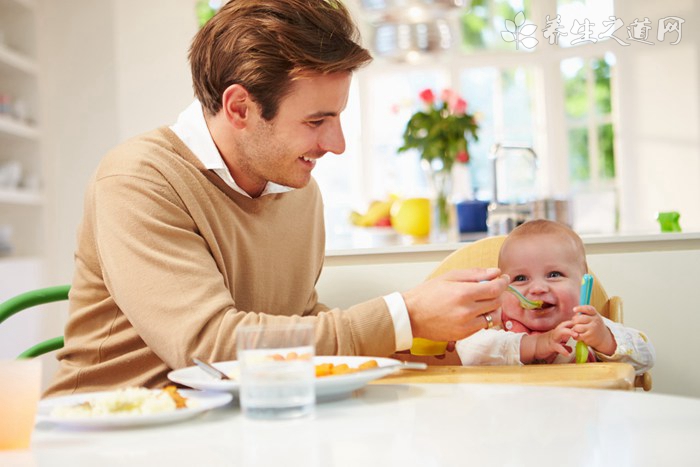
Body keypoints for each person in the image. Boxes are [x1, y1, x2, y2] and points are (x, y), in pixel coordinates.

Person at [45, 0, 508, 397]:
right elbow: (211, 346)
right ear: (240, 108)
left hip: (236, 427)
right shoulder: (139, 180)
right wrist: (402, 317)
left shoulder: (297, 190)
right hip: (108, 436)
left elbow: (295, 326)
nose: (337, 143)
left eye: (338, 117)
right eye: (316, 121)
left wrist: (419, 341)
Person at [456, 219, 655, 374]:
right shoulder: (496, 325)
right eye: (521, 278)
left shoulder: (586, 327)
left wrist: (605, 340)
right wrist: (534, 345)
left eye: (554, 275)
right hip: (511, 419)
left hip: (577, 419)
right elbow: (468, 351)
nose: (538, 289)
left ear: (583, 280)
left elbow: (646, 357)